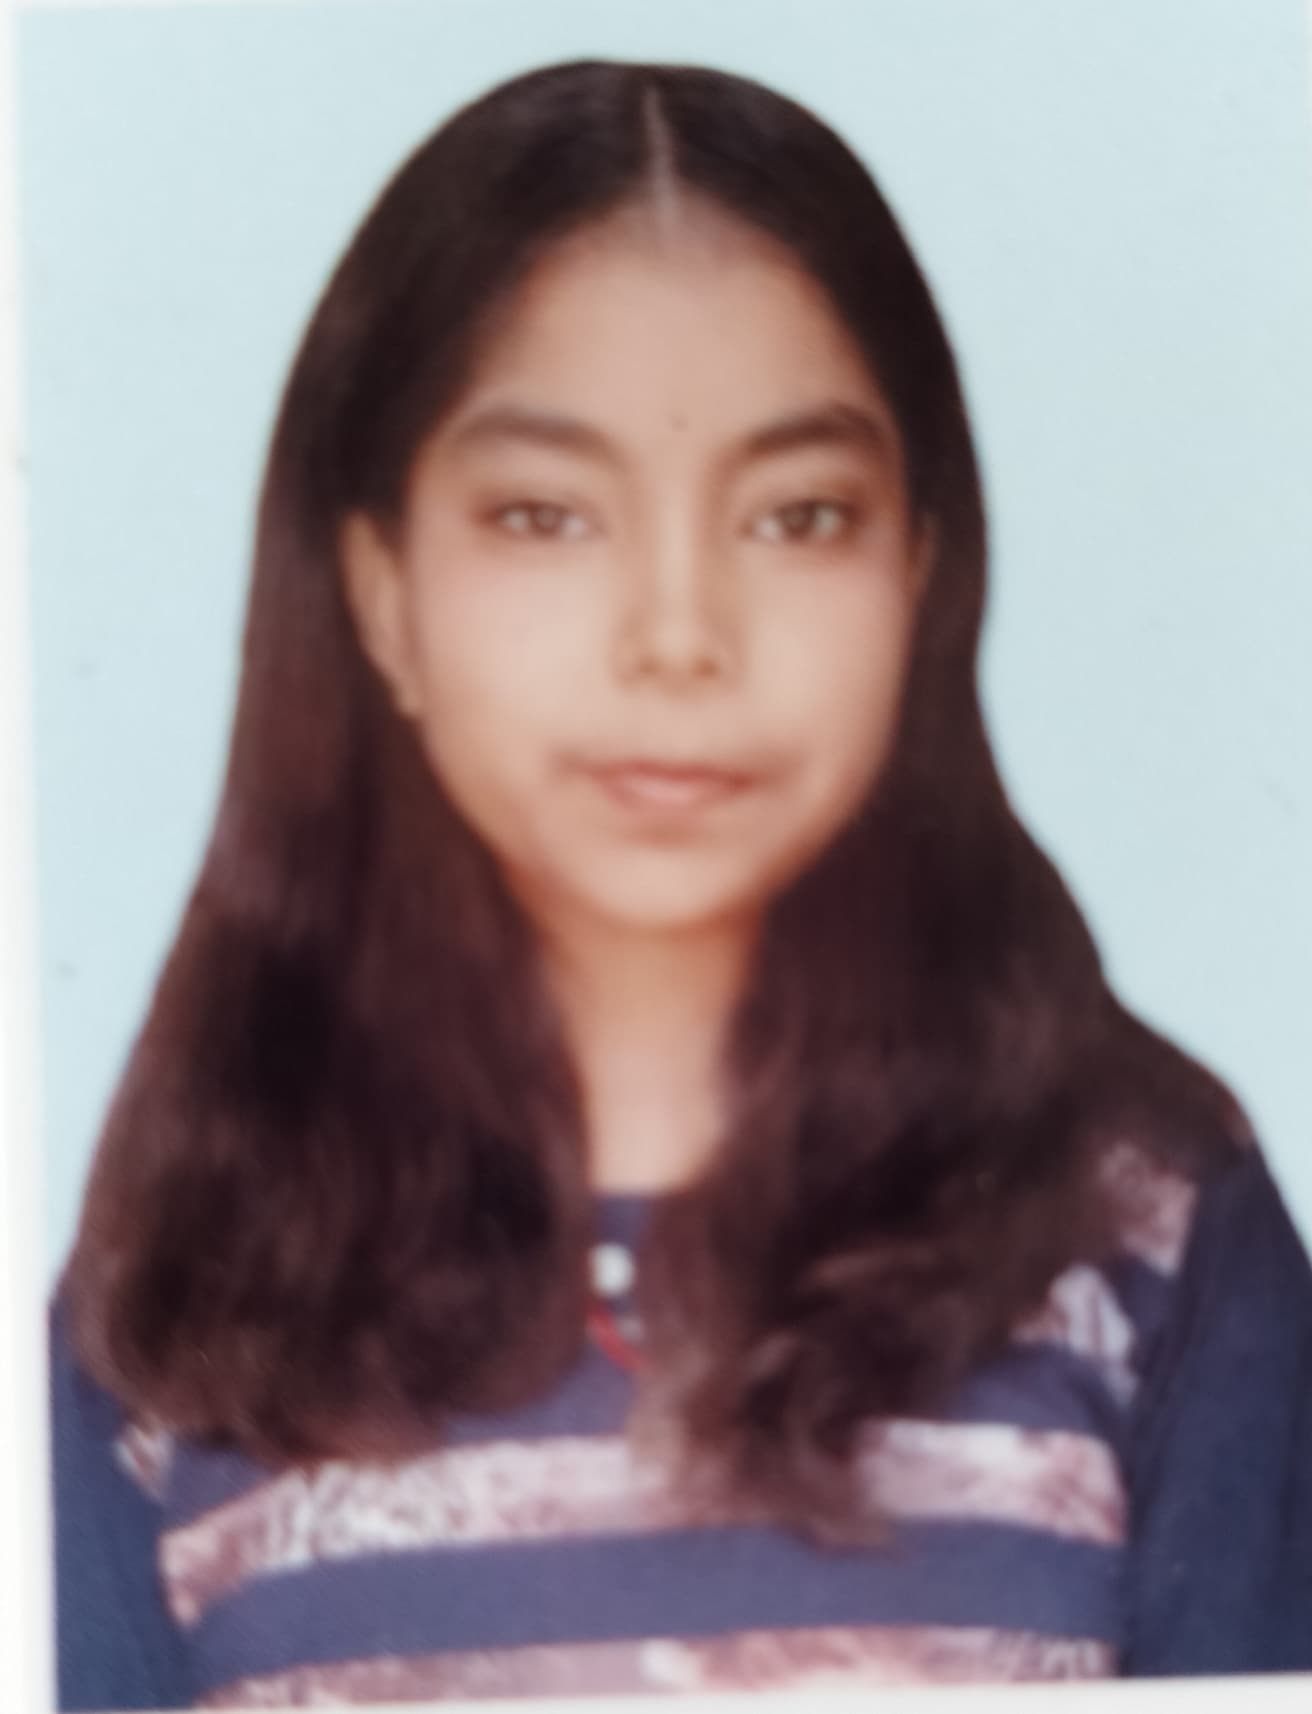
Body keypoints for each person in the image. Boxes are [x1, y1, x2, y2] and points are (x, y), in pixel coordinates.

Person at [49, 58, 1312, 1709]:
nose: (677, 635)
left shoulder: (1155, 1226)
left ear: (920, 573)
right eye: (543, 514)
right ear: (380, 593)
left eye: (798, 516)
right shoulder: (181, 1288)